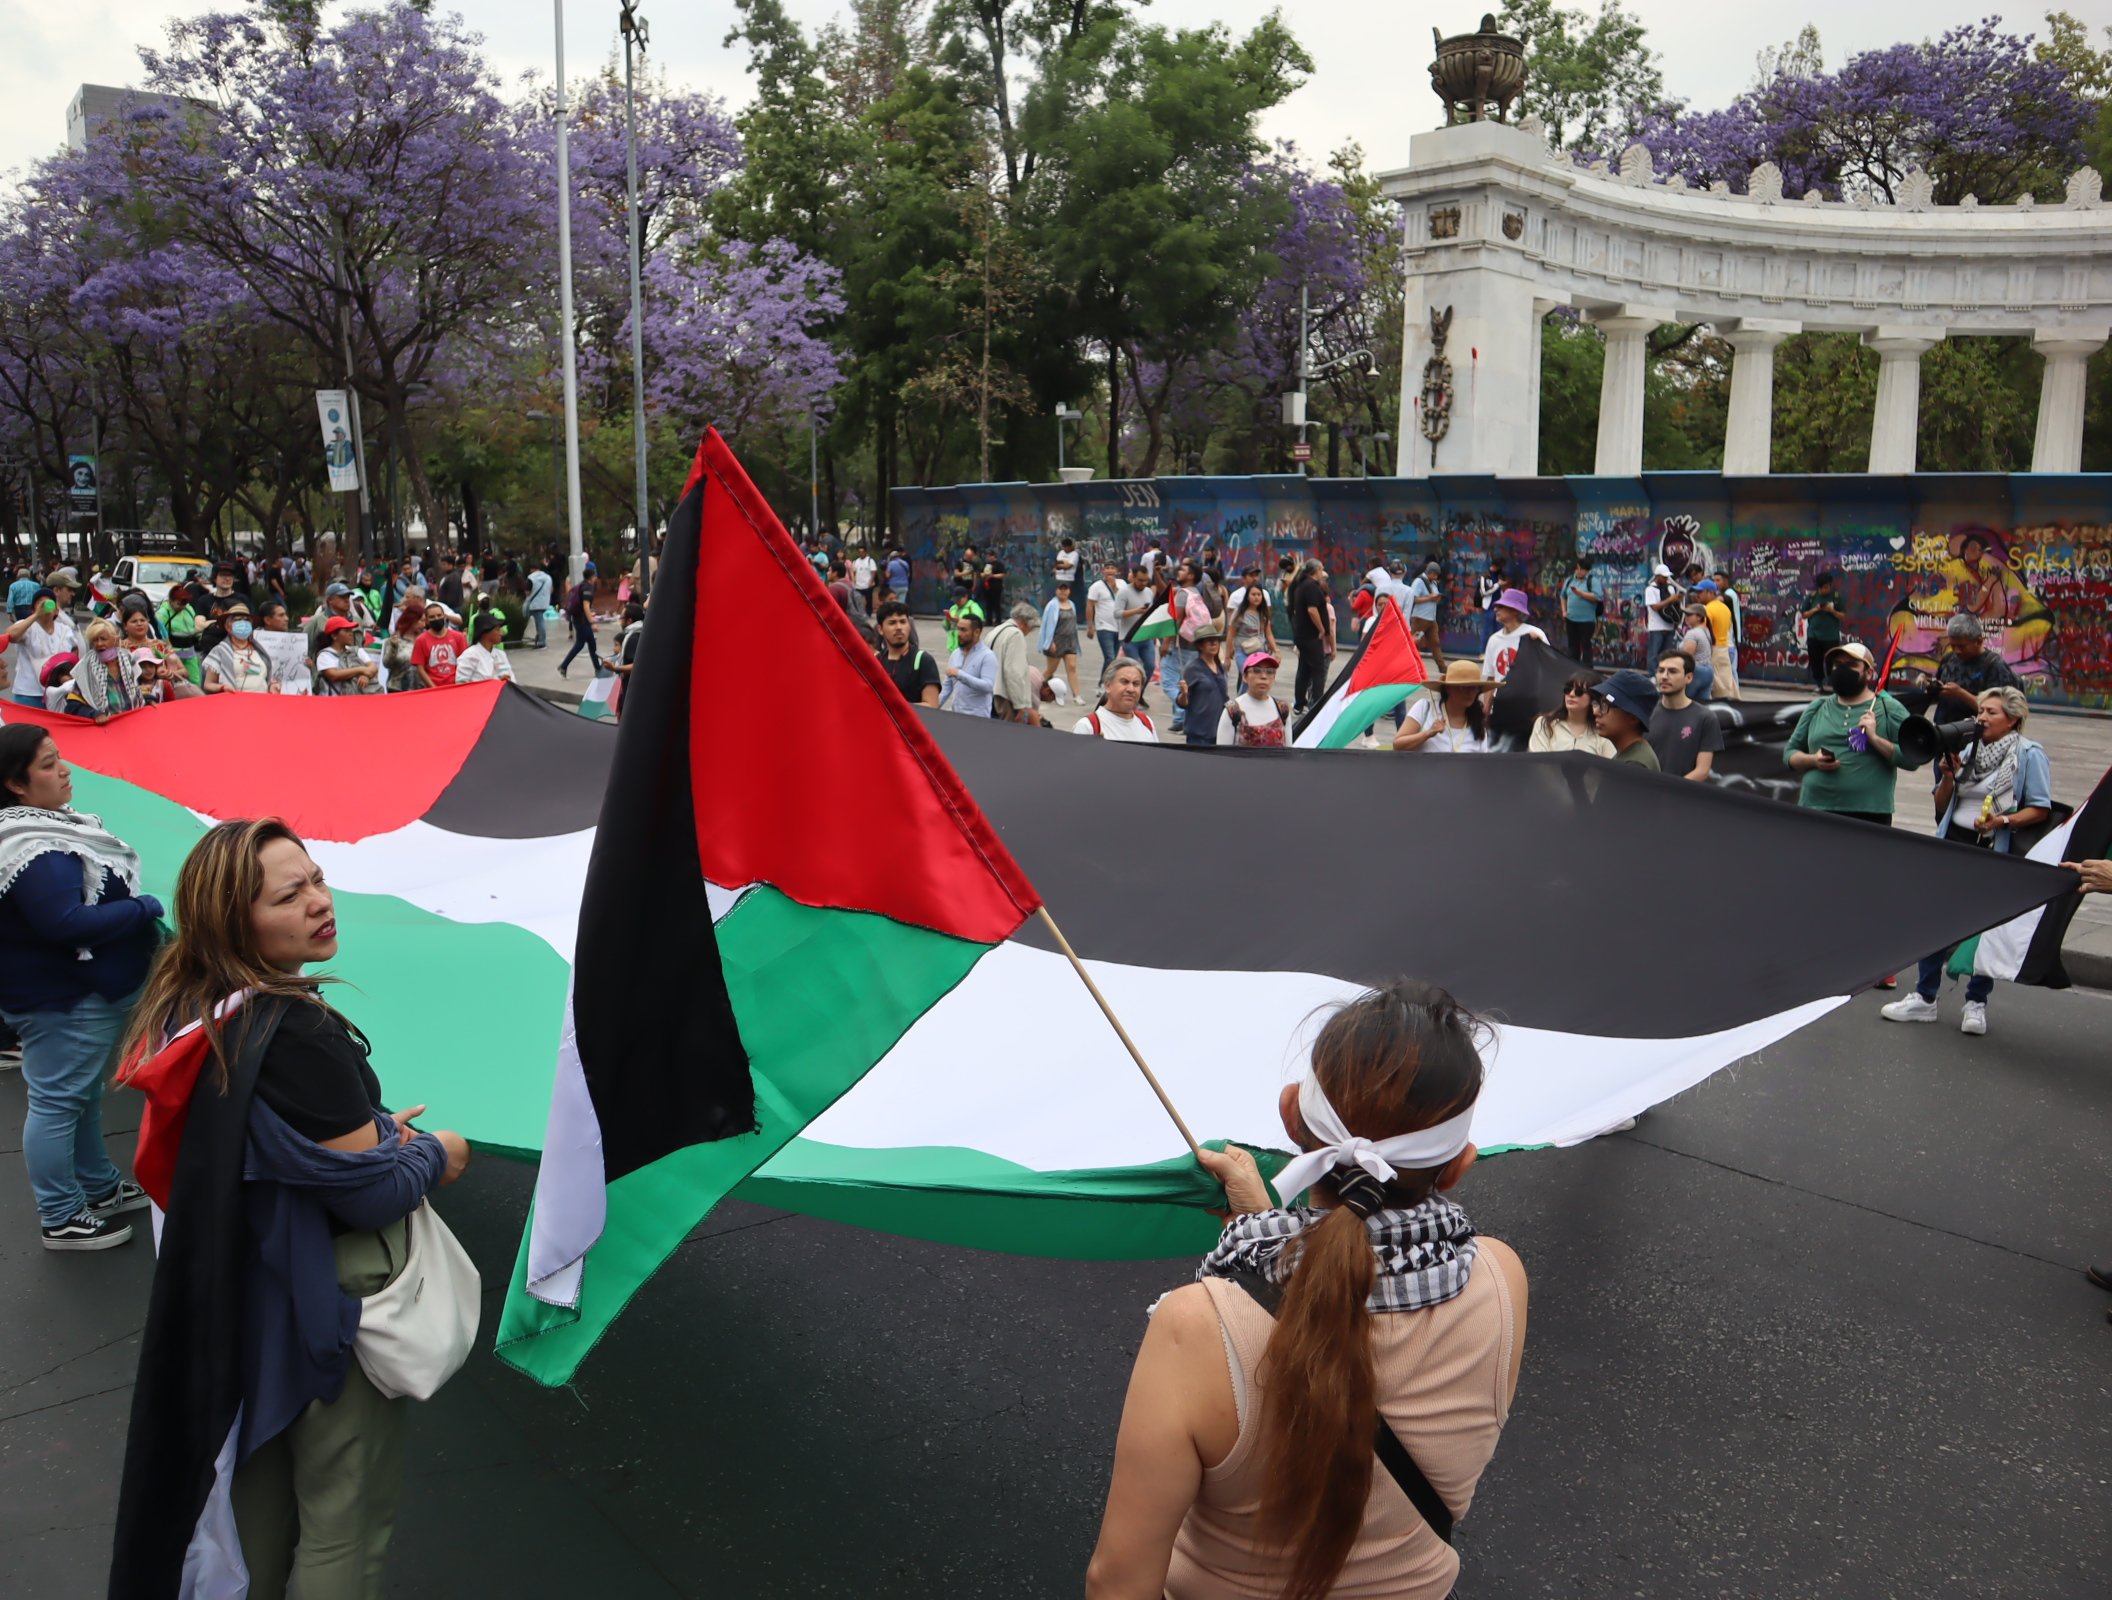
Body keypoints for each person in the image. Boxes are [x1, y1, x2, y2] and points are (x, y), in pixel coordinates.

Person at [110, 818, 471, 1595]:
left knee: (261, 1506)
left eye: (315, 878)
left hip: (248, 1293)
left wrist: (367, 1137)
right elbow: (372, 1192)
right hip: (323, 1302)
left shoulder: (191, 1004)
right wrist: (436, 1152)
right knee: (344, 1521)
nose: (319, 901)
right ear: (234, 920)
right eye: (289, 893)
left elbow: (266, 1144)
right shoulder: (295, 1029)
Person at [1086, 980, 1525, 1600]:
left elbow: (1119, 1581)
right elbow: (1339, 1273)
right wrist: (1259, 1230)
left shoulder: (1197, 1326)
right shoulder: (1502, 1278)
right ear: (1457, 1165)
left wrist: (1258, 1239)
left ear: (1291, 1113)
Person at [0, 726, 162, 1250]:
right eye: (48, 764)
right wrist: (146, 907)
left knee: (80, 1097)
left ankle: (98, 1188)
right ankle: (62, 1215)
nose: (64, 769)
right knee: (57, 1102)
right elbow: (65, 921)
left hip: (74, 993)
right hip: (65, 999)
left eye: (58, 757)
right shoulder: (34, 847)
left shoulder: (44, 829)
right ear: (15, 784)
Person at [1882, 685, 2053, 1037]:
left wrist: (2002, 821)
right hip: (1953, 845)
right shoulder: (1968, 749)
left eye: (1991, 712)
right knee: (1934, 922)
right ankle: (1924, 998)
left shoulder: (2029, 754)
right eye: (1982, 711)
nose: (1982, 717)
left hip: (1993, 851)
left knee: (1983, 929)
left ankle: (1976, 1003)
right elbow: (1942, 806)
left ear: (2013, 720)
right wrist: (1946, 776)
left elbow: (2040, 807)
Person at [1784, 641, 1907, 824]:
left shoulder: (1889, 708)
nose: (1842, 670)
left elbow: (1911, 759)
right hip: (1815, 808)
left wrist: (1874, 738)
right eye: (1838, 665)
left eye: (1851, 665)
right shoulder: (1817, 707)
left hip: (1868, 814)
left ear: (1869, 673)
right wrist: (1812, 760)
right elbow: (1789, 754)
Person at [1922, 612, 2021, 727]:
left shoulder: (1995, 666)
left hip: (1975, 734)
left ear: (1979, 641)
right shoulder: (1949, 659)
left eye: (1962, 646)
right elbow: (1939, 696)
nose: (1957, 651)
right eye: (1953, 646)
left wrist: (1960, 694)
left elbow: (2000, 710)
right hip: (1943, 731)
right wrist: (1934, 688)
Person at [1648, 650, 1723, 781]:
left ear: (1689, 678)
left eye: (1672, 671)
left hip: (1682, 796)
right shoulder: (1645, 712)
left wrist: (1671, 790)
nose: (1664, 676)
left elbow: (1702, 770)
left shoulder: (1705, 718)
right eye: (1661, 671)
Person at [8, 579, 82, 706]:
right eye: (39, 602)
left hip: (57, 693)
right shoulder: (27, 627)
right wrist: (37, 615)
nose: (44, 604)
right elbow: (11, 636)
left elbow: (74, 655)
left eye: (48, 602)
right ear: (33, 609)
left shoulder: (65, 630)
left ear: (56, 611)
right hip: (29, 694)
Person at [1393, 661, 1493, 754]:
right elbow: (1397, 745)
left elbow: (1482, 764)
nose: (1469, 692)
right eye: (1462, 687)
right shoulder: (1425, 708)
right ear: (1448, 688)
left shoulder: (1478, 722)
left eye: (1474, 687)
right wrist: (1428, 733)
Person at [1529, 671, 1615, 755]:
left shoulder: (1603, 732)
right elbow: (1538, 763)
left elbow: (1610, 766)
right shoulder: (1544, 723)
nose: (1571, 694)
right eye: (1568, 690)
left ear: (1592, 698)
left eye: (1579, 692)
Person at [1589, 670, 1662, 768]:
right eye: (1598, 704)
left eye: (1605, 705)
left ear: (1633, 717)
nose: (1596, 712)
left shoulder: (1635, 764)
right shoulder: (1627, 754)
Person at [1073, 657, 1157, 742]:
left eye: (1136, 684)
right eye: (1124, 682)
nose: (1131, 689)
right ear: (1107, 685)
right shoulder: (1088, 727)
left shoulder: (1146, 722)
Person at [1290, 559, 1335, 717]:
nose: (1322, 572)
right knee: (1318, 670)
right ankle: (1316, 703)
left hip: (1303, 636)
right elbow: (1312, 610)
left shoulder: (1302, 585)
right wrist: (1322, 629)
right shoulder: (1310, 586)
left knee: (1304, 668)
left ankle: (1299, 703)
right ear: (1314, 571)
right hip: (1310, 636)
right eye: (1321, 569)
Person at [201, 603, 277, 695]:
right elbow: (208, 684)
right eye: (238, 620)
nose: (243, 623)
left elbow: (266, 677)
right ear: (228, 626)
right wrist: (223, 687)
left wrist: (273, 685)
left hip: (261, 701)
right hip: (235, 703)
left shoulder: (261, 651)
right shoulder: (220, 651)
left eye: (247, 620)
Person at [877, 601, 941, 708]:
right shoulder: (877, 661)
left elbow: (932, 705)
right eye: (892, 623)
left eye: (902, 622)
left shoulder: (923, 660)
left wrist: (894, 707)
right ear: (880, 629)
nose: (899, 627)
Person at [1217, 651, 1288, 747]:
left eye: (1270, 672)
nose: (1263, 676)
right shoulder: (1232, 710)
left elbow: (1288, 754)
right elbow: (1222, 756)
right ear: (1245, 677)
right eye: (1256, 670)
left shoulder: (1282, 709)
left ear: (1274, 677)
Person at [987, 602, 1041, 724]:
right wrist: (1020, 705)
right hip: (1004, 697)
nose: (1030, 632)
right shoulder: (1016, 635)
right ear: (1024, 623)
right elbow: (1013, 673)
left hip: (989, 692)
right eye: (1031, 627)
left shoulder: (995, 631)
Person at [1479, 588, 1547, 684]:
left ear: (1515, 610)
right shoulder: (1494, 639)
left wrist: (1539, 646)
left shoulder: (1534, 634)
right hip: (1499, 698)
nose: (1495, 609)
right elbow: (1491, 679)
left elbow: (1548, 668)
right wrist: (1488, 699)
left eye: (1501, 606)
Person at [1178, 621, 1230, 746]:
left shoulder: (1221, 667)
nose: (1214, 643)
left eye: (1216, 640)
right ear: (1200, 646)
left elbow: (1224, 696)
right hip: (1199, 733)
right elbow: (1182, 703)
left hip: (1219, 730)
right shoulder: (1192, 669)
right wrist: (1184, 693)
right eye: (1209, 641)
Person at [941, 610, 997, 718]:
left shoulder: (987, 656)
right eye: (958, 629)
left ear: (977, 632)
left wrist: (960, 674)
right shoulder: (956, 654)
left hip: (977, 720)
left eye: (963, 630)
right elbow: (947, 686)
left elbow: (987, 686)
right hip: (956, 716)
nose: (959, 634)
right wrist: (933, 706)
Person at [1799, 571, 1846, 688]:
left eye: (1828, 587)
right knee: (1816, 661)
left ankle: (1833, 683)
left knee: (1832, 661)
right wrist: (1815, 609)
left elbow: (1843, 616)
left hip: (1831, 636)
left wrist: (1832, 611)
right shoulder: (1812, 597)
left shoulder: (1836, 597)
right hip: (1814, 635)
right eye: (1824, 587)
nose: (1826, 590)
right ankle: (1819, 684)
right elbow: (1804, 615)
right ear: (1819, 587)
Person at [1040, 577, 1082, 707]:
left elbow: (1073, 624)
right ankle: (1035, 687)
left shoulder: (1072, 604)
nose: (1063, 592)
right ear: (1056, 591)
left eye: (1065, 589)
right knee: (1050, 670)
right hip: (1056, 642)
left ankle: (1077, 696)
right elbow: (1046, 625)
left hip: (1070, 642)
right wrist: (1050, 641)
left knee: (1072, 668)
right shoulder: (1052, 605)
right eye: (1060, 589)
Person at [1695, 580, 1741, 701]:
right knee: (1727, 683)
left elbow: (1703, 632)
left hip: (1713, 650)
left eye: (1700, 592)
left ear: (1710, 593)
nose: (1697, 595)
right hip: (1725, 648)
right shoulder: (1725, 608)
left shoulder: (1707, 610)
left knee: (1717, 689)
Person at [315, 616, 384, 695]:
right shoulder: (325, 655)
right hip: (335, 702)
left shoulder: (357, 650)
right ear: (334, 636)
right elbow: (333, 675)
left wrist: (366, 676)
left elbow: (373, 668)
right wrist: (360, 670)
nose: (351, 634)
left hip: (358, 701)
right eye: (346, 630)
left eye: (351, 630)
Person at [1115, 564, 1159, 683]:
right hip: (1129, 637)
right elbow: (1117, 613)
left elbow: (1150, 614)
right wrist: (1137, 611)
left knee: (1150, 667)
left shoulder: (1149, 592)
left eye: (1146, 580)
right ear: (1133, 577)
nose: (1143, 583)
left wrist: (1153, 633)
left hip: (1146, 637)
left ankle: (1140, 693)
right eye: (1140, 580)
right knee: (1135, 668)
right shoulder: (1124, 592)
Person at [411, 604, 468, 689]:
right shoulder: (421, 640)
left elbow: (464, 663)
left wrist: (459, 684)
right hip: (432, 690)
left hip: (456, 687)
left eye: (439, 615)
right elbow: (420, 668)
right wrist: (433, 688)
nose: (436, 619)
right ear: (426, 621)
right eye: (432, 617)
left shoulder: (458, 637)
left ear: (444, 617)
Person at [558, 570, 601, 678]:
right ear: (592, 577)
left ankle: (598, 668)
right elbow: (586, 605)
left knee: (591, 644)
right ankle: (564, 665)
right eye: (595, 576)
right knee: (580, 644)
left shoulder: (581, 585)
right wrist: (592, 622)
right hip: (582, 621)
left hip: (578, 619)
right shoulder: (587, 588)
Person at [1406, 560, 1447, 670]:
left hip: (1431, 619)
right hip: (1420, 618)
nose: (1436, 577)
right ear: (1430, 572)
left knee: (1435, 643)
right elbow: (1414, 598)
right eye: (1435, 574)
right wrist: (1430, 598)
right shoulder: (1419, 582)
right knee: (1414, 643)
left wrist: (1437, 598)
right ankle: (1407, 666)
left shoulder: (1433, 583)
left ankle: (1442, 667)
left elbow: (1434, 596)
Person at [1562, 558, 1603, 665]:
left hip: (1587, 620)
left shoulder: (1592, 581)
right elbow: (1563, 596)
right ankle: (1573, 669)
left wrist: (1581, 594)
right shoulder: (1570, 580)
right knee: (1572, 646)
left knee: (1585, 645)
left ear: (1587, 571)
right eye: (1577, 569)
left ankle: (1587, 671)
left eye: (1582, 570)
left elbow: (1598, 597)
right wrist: (1564, 611)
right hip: (1571, 619)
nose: (1579, 571)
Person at [380, 595, 425, 693]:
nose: (424, 625)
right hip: (397, 689)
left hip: (420, 690)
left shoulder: (424, 640)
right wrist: (393, 648)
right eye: (421, 621)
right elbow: (387, 663)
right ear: (412, 620)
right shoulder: (394, 640)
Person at [454, 612, 514, 684]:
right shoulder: (469, 655)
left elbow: (513, 682)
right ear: (485, 632)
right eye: (497, 630)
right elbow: (461, 685)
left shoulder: (501, 654)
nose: (501, 633)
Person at [1087, 561, 1124, 676]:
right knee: (1110, 657)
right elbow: (1090, 605)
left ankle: (1105, 682)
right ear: (1103, 571)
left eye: (1112, 568)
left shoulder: (1122, 584)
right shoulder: (1096, 586)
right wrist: (1090, 626)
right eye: (1107, 568)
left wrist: (1114, 587)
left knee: (1113, 658)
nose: (1110, 570)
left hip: (1120, 627)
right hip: (1104, 626)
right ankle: (1103, 683)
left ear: (1117, 571)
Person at [1642, 562, 1683, 667]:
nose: (1666, 580)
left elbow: (1673, 606)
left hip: (1669, 626)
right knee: (1654, 654)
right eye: (1664, 577)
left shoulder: (1670, 588)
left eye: (1667, 577)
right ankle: (1652, 674)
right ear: (1658, 577)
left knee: (1668, 654)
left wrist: (1677, 601)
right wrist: (1670, 599)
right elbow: (1654, 607)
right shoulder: (1650, 590)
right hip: (1656, 627)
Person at [1677, 603, 1716, 701]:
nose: (1686, 617)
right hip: (1708, 670)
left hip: (1696, 671)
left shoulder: (1692, 633)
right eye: (1685, 614)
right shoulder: (1706, 631)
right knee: (1703, 705)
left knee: (1684, 702)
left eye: (1689, 615)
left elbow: (1687, 657)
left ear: (1699, 617)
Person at [1476, 558, 1506, 649]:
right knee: (1486, 630)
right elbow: (1484, 591)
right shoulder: (1485, 576)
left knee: (1498, 630)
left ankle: (1497, 651)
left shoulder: (1500, 576)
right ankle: (1483, 651)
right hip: (1488, 607)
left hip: (1498, 607)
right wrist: (1497, 585)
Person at [524, 562, 553, 649]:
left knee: (539, 622)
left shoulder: (531, 578)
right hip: (544, 602)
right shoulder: (548, 577)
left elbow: (528, 591)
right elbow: (551, 590)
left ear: (531, 569)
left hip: (535, 603)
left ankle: (541, 642)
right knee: (539, 621)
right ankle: (539, 639)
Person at [848, 546, 878, 614]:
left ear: (865, 552)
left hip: (867, 584)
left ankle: (868, 612)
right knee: (858, 600)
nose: (861, 553)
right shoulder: (856, 561)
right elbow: (853, 571)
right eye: (859, 552)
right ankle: (860, 612)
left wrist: (871, 581)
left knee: (869, 600)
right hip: (858, 585)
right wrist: (853, 580)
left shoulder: (870, 560)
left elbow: (873, 571)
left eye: (862, 552)